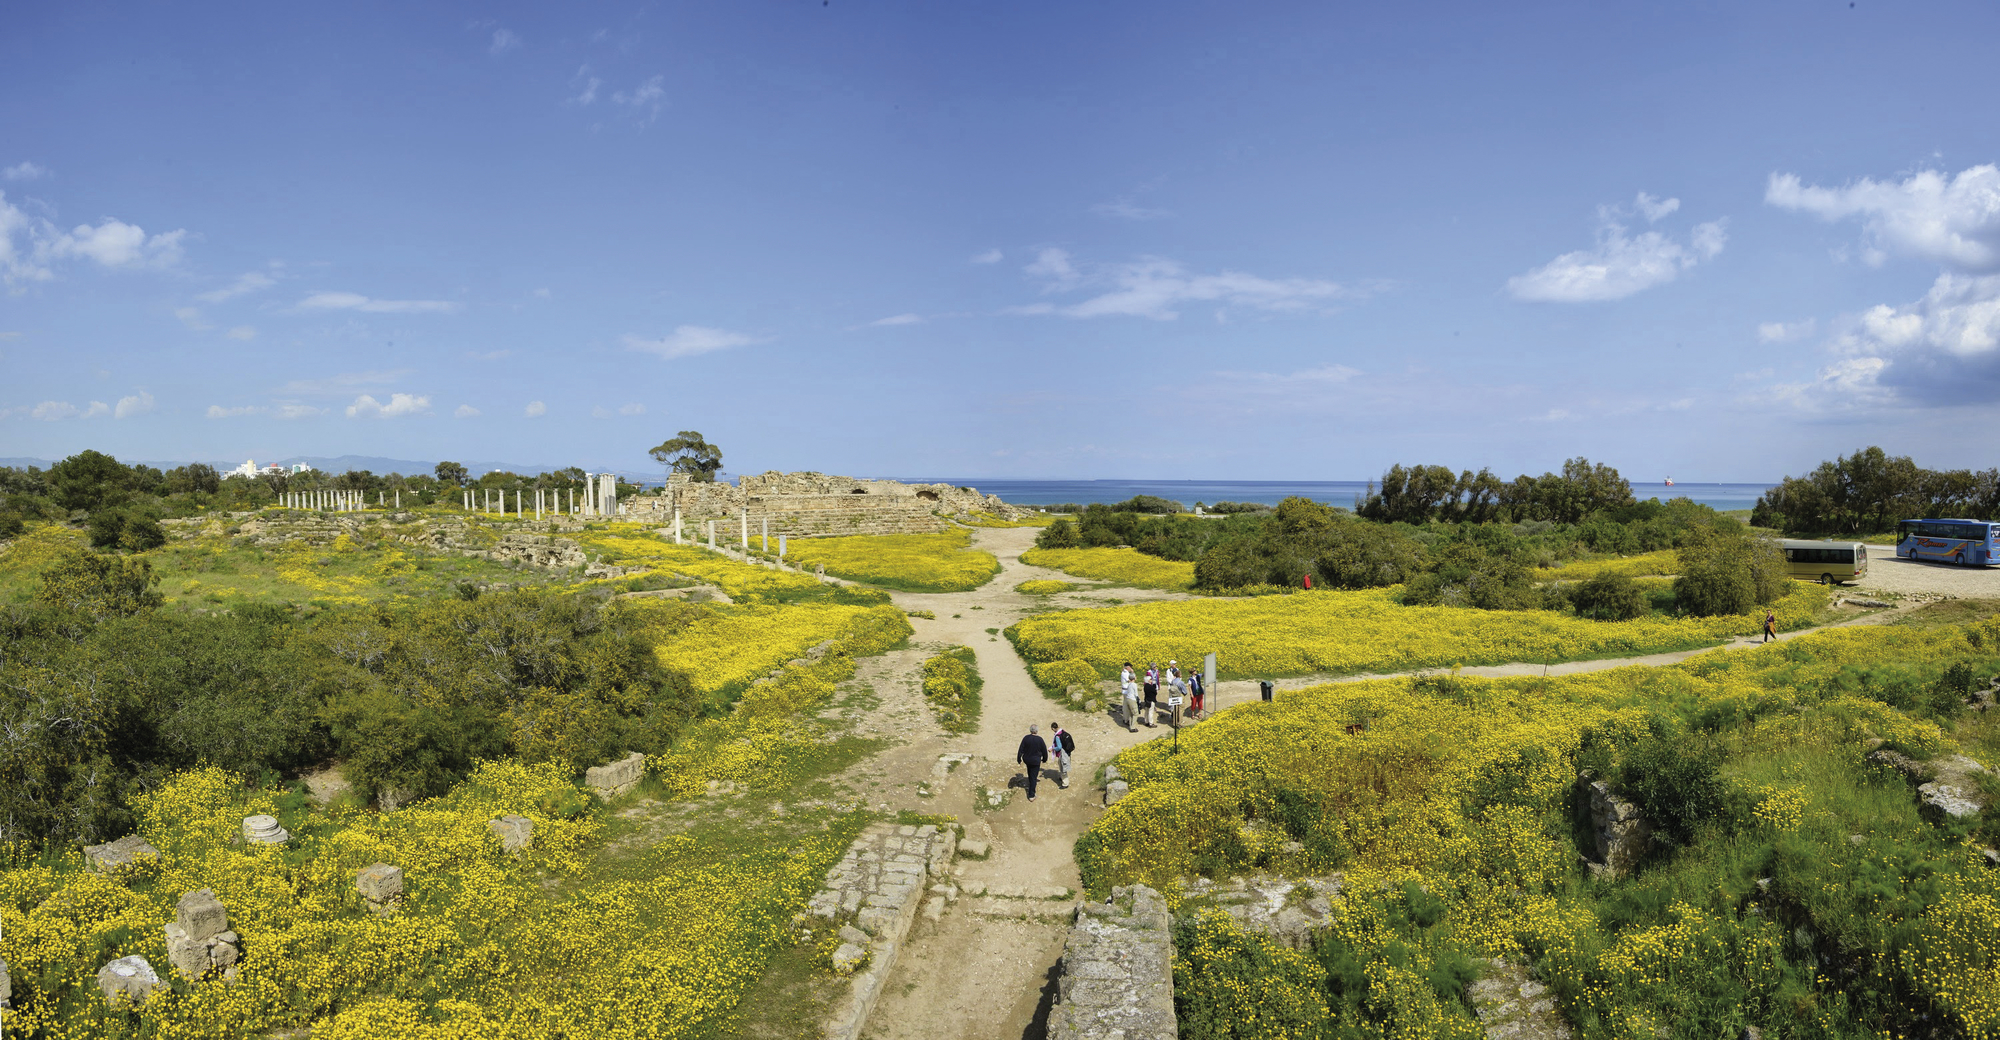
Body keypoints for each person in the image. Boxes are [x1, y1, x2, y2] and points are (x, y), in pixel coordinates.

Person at [1016, 724, 1049, 801]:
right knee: (1034, 777)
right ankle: (1031, 795)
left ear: (1030, 730)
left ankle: (1030, 780)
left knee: (1030, 772)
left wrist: (1019, 759)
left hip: (1027, 760)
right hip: (1035, 761)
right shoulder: (1040, 739)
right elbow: (1044, 751)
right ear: (1036, 731)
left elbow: (1021, 749)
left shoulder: (1026, 738)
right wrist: (1044, 759)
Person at [1050, 721, 1076, 788]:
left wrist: (1052, 749)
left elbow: (1059, 747)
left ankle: (1065, 783)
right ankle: (1062, 777)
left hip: (1062, 754)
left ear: (1053, 728)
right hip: (1067, 752)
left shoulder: (1057, 736)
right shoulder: (1062, 731)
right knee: (1061, 765)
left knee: (1063, 768)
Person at [1120, 661, 1139, 732]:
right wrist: (1132, 672)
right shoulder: (1125, 673)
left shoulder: (1125, 673)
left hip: (1127, 690)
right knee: (1126, 706)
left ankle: (1127, 719)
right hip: (1126, 690)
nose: (1131, 668)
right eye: (1130, 667)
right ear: (1127, 667)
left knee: (1126, 706)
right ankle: (1126, 719)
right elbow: (1131, 679)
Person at [1142, 662, 1160, 727]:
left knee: (1146, 711)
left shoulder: (1145, 686)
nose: (1151, 680)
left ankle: (1146, 721)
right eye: (1150, 679)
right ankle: (1151, 723)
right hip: (1151, 700)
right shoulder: (1150, 687)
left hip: (1146, 700)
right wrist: (1155, 691)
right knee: (1150, 712)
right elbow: (1154, 692)